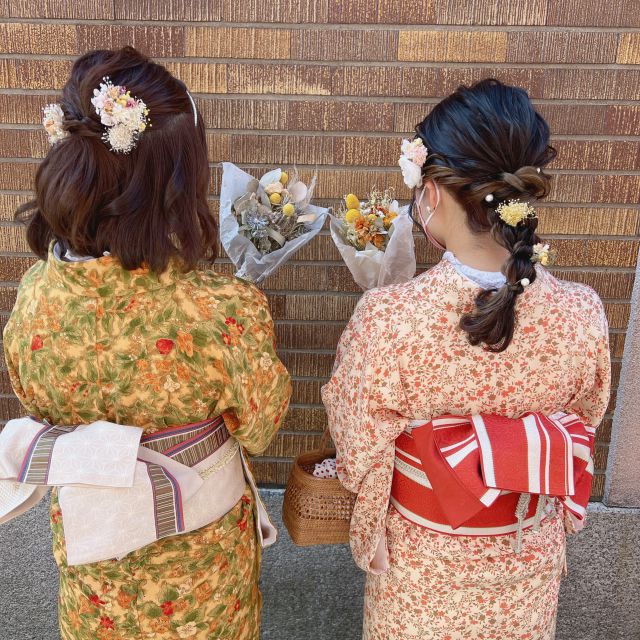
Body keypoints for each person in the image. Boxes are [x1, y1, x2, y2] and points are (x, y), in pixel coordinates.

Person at [3, 47, 291, 640]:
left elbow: (34, 397)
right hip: (201, 572)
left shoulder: (36, 295)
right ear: (174, 185)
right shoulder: (220, 310)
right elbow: (261, 423)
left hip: (95, 566)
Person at [322, 79, 611, 640]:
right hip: (527, 554)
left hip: (424, 565)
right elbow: (584, 421)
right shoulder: (581, 312)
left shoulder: (388, 318)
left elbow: (361, 450)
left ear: (430, 193)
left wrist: (369, 528)